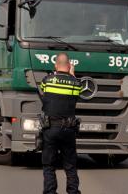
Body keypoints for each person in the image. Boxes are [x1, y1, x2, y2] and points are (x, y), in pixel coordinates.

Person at [40, 52, 82, 194]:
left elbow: (43, 90)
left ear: (55, 65)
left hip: (50, 128)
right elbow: (78, 93)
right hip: (69, 130)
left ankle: (50, 191)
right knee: (70, 164)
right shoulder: (76, 83)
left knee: (49, 164)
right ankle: (73, 191)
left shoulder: (47, 80)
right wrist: (72, 75)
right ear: (69, 65)